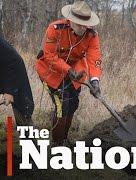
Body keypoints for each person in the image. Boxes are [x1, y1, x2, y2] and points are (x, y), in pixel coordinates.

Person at [35, 1, 102, 146]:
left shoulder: (92, 35)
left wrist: (95, 80)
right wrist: (68, 70)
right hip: (49, 70)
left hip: (75, 71)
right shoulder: (55, 29)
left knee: (73, 103)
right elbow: (50, 56)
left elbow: (94, 58)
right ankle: (57, 144)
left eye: (86, 24)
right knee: (62, 104)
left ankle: (65, 139)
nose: (83, 27)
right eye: (79, 24)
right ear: (70, 20)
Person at [0, 37, 34, 127]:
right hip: (4, 71)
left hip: (15, 75)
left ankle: (28, 138)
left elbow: (14, 61)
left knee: (23, 112)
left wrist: (9, 91)